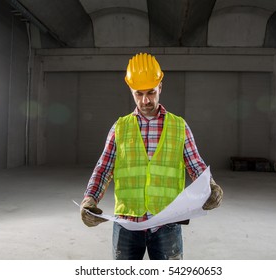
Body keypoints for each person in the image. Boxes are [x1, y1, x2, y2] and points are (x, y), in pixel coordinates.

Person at [80, 53, 223, 260]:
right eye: (139, 94)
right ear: (131, 91)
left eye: (151, 92)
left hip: (167, 223)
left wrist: (212, 185)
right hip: (127, 223)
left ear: (160, 88)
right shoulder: (120, 128)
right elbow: (103, 169)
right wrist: (89, 199)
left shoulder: (179, 126)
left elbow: (195, 164)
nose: (145, 100)